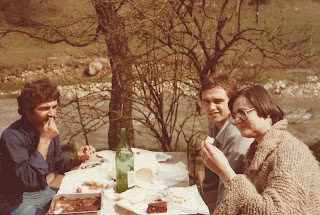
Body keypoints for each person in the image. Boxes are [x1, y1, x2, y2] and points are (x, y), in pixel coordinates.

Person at [201, 85, 320, 214]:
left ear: (266, 110)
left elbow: (278, 212)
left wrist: (226, 173)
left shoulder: (290, 153)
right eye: (234, 115)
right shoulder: (256, 150)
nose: (236, 121)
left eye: (242, 113)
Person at [0, 78, 96, 215]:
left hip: (45, 191)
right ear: (27, 111)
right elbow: (29, 180)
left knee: (88, 205)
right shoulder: (12, 136)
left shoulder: (46, 125)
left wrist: (75, 159)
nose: (52, 114)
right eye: (45, 108)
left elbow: (57, 160)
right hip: (15, 199)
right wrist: (45, 139)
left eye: (54, 107)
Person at [199, 74, 253, 207]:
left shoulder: (236, 135)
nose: (211, 108)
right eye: (206, 101)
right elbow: (211, 168)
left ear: (232, 102)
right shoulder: (215, 120)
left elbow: (230, 184)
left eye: (218, 101)